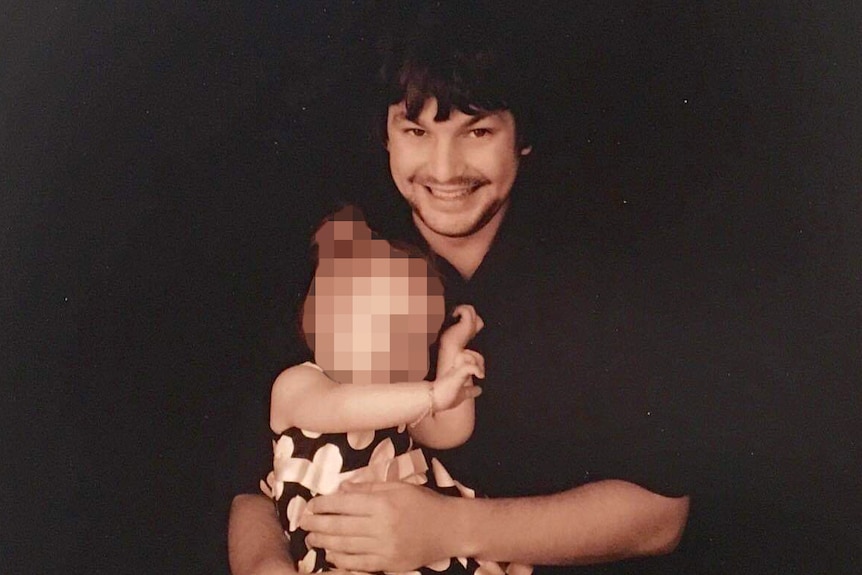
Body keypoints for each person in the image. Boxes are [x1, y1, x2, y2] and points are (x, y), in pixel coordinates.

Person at [229, 10, 690, 575]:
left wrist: (446, 529)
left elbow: (661, 515)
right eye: (417, 131)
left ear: (524, 139)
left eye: (477, 131)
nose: (444, 170)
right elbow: (250, 479)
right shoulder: (342, 258)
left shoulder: (602, 273)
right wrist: (264, 567)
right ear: (387, 135)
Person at [263, 204, 527, 575]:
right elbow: (341, 408)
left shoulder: (397, 399)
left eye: (417, 339)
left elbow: (450, 431)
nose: (399, 350)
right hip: (342, 545)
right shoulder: (299, 383)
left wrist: (452, 351)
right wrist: (432, 395)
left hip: (410, 536)